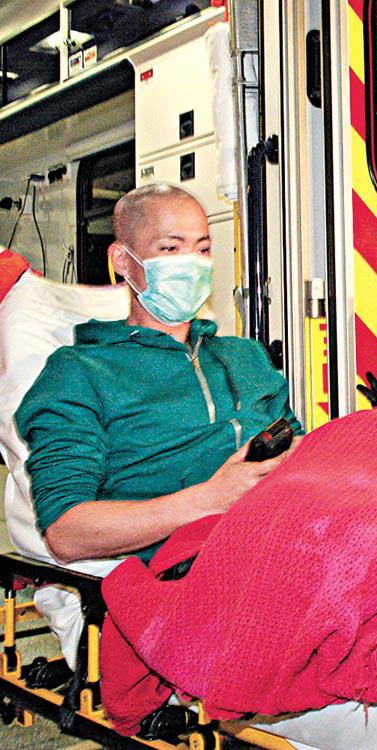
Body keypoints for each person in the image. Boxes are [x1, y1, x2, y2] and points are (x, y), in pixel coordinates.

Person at [14, 184, 302, 685]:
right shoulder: (80, 372)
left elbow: (295, 442)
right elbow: (66, 532)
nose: (192, 263)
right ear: (123, 261)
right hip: (199, 573)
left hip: (294, 539)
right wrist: (208, 499)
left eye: (202, 249)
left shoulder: (245, 357)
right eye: (171, 248)